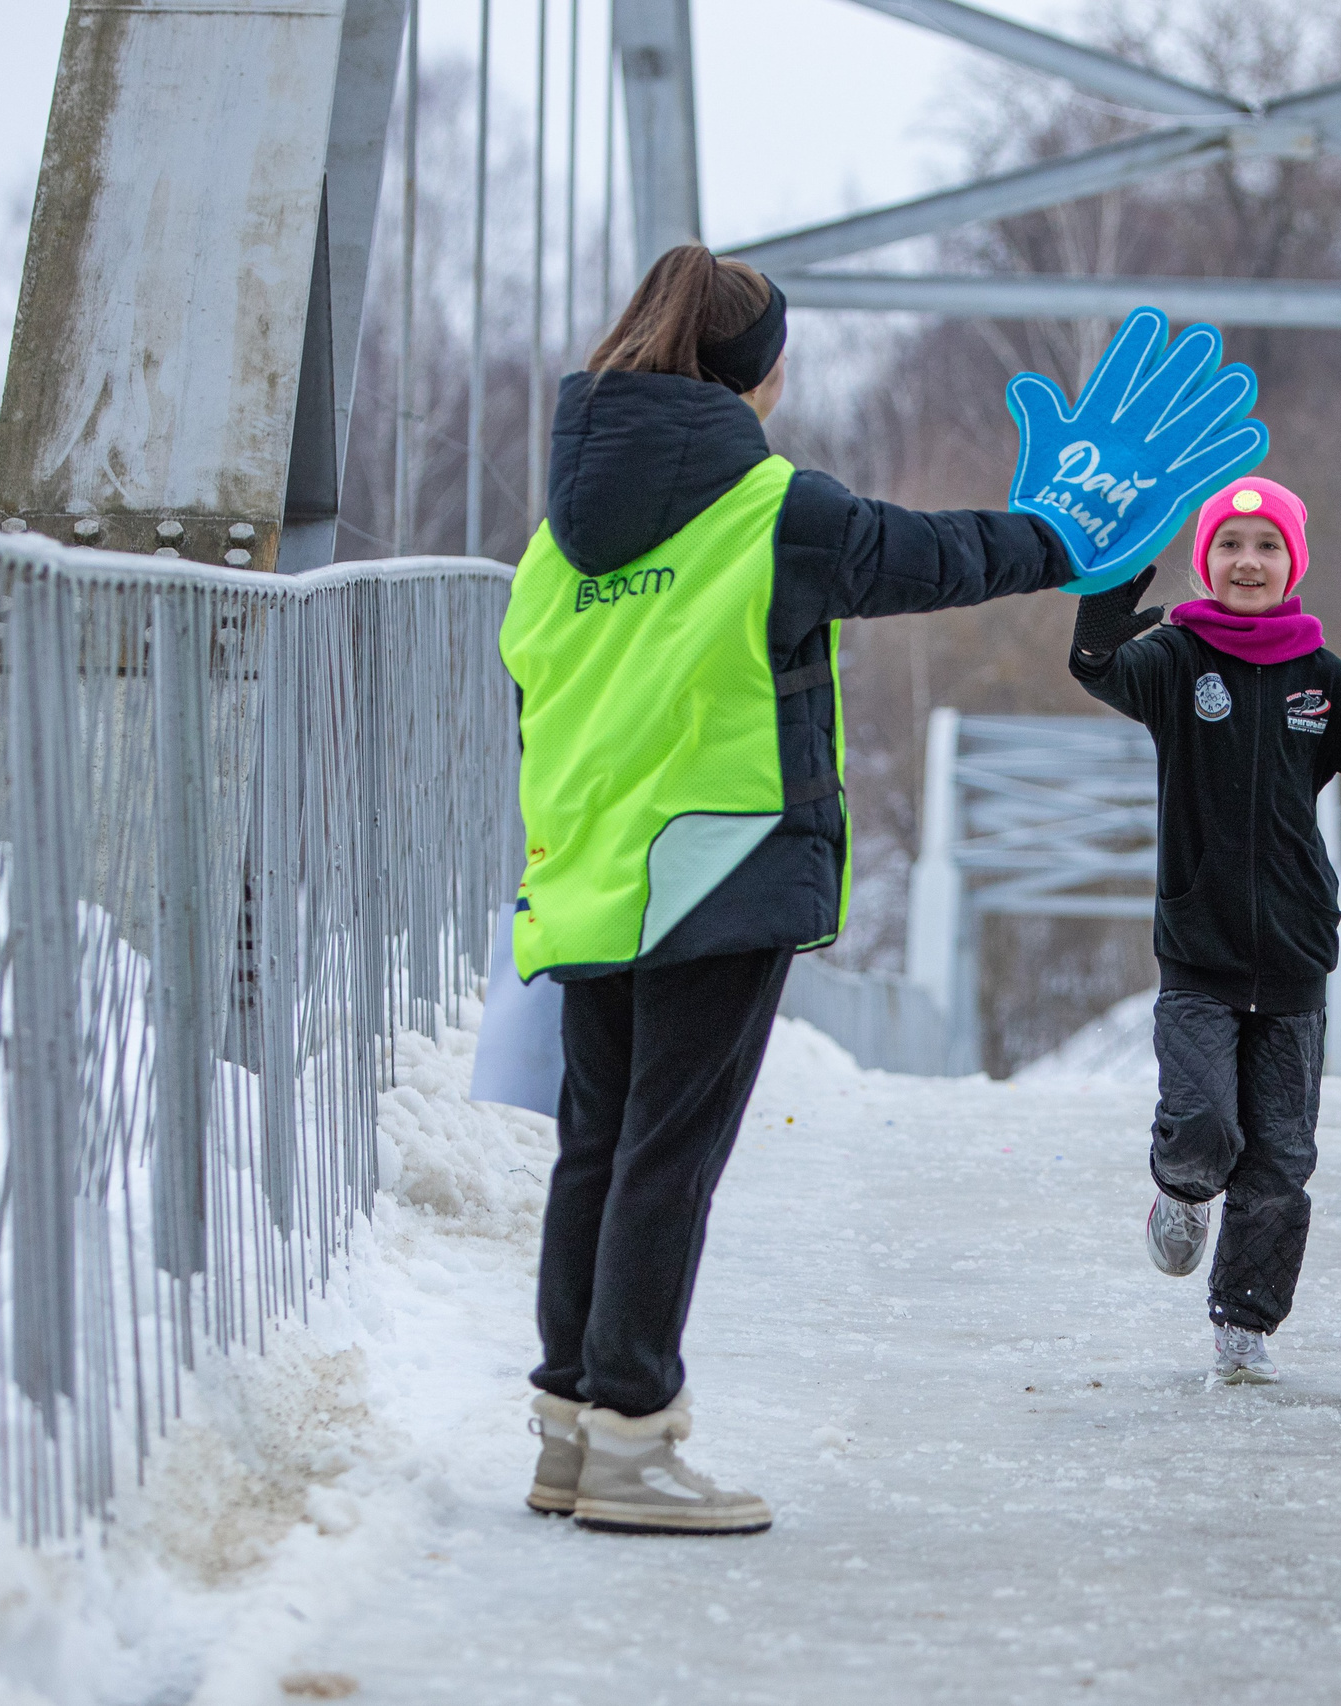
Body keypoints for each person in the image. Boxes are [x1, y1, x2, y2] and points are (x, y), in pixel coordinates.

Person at [499, 246, 1077, 1534]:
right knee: (668, 1158)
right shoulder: (770, 509)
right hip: (718, 866)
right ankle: (635, 1441)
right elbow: (928, 557)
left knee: (599, 1147)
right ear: (754, 373)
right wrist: (1065, 542)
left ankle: (570, 1431)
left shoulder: (555, 538)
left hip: (592, 875)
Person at [1067, 475, 1341, 1385]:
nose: (1246, 561)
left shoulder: (1326, 680)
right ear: (1205, 562)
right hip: (1199, 947)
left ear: (1292, 564)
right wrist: (1101, 616)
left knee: (1282, 1158)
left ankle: (1244, 1327)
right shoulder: (1177, 662)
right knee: (1206, 1122)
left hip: (1295, 951)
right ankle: (1180, 1191)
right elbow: (1100, 670)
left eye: (1265, 546)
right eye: (1229, 545)